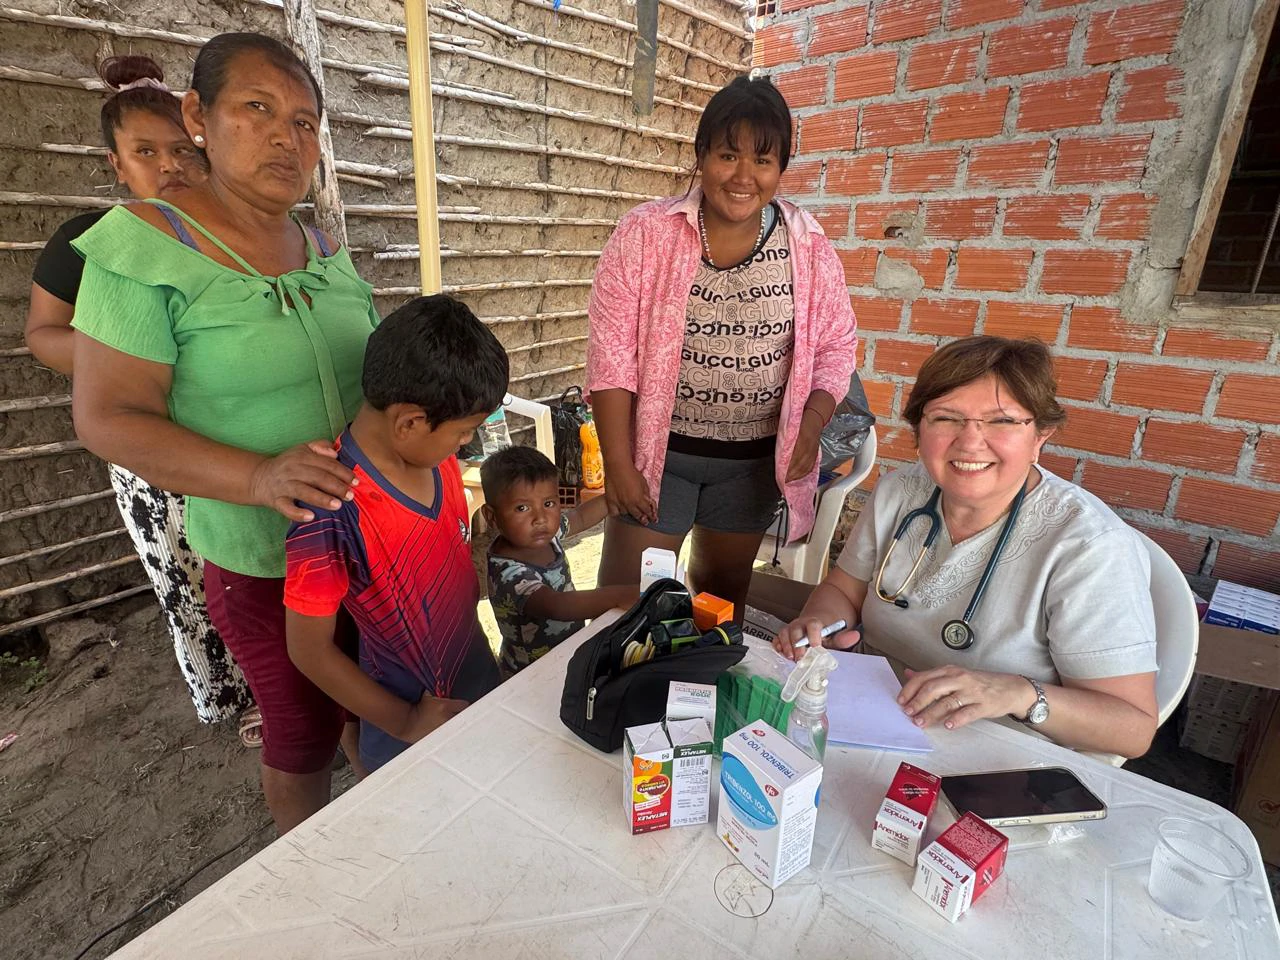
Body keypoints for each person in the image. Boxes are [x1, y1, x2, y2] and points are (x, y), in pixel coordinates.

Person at [69, 32, 380, 832]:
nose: (288, 136)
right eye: (258, 108)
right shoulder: (143, 246)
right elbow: (107, 416)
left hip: (364, 540)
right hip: (260, 557)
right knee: (301, 725)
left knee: (367, 697)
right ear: (197, 115)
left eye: (306, 122)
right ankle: (303, 873)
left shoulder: (318, 246)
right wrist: (256, 478)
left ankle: (378, 824)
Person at [773, 337, 1159, 759]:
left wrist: (1016, 694)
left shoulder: (1089, 547)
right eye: (946, 418)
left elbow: (1132, 729)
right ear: (919, 430)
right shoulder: (899, 492)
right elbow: (844, 591)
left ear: (1040, 436)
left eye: (1002, 421)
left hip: (1001, 756)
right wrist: (817, 623)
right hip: (869, 722)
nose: (970, 442)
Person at [23, 55, 257, 736]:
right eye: (146, 152)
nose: (171, 165)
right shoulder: (91, 244)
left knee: (245, 566)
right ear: (116, 165)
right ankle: (228, 697)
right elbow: (42, 333)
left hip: (233, 430)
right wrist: (129, 354)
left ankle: (278, 681)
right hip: (145, 445)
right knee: (184, 578)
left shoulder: (233, 233)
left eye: (184, 149)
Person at [587, 75, 857, 621]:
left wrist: (810, 425)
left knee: (717, 606)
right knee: (627, 607)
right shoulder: (646, 233)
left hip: (750, 467)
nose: (742, 176)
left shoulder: (807, 244)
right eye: (727, 154)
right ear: (702, 154)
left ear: (781, 167)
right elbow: (611, 352)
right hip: (658, 459)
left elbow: (836, 346)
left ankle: (695, 701)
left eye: (763, 160)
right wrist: (618, 462)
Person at [283, 296, 506, 774]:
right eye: (464, 431)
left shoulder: (437, 460)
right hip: (410, 728)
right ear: (410, 421)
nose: (465, 443)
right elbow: (308, 648)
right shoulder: (330, 508)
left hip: (478, 681)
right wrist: (405, 721)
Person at [480, 446, 640, 676]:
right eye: (522, 508)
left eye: (549, 504)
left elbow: (580, 517)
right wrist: (620, 596)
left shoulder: (546, 535)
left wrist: (612, 500)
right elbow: (556, 605)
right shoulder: (508, 572)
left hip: (564, 653)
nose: (540, 518)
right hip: (529, 673)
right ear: (492, 516)